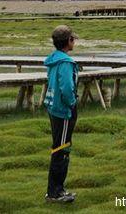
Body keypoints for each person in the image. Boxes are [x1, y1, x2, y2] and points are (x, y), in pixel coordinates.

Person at [44, 25, 80, 204]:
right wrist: (72, 103)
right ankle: (55, 192)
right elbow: (66, 88)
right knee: (62, 150)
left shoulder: (54, 59)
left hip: (53, 107)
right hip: (64, 110)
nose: (74, 41)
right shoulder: (66, 62)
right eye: (73, 38)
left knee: (59, 146)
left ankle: (54, 190)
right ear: (68, 41)